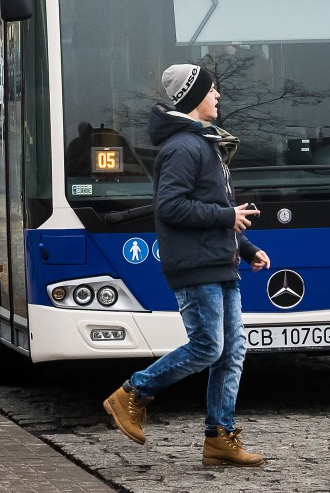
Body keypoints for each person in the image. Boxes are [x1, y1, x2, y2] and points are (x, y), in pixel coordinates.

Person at [103, 63, 270, 468]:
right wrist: (226, 218)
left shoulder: (203, 143)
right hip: (195, 267)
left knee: (232, 353)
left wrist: (245, 247)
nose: (218, 97)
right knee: (208, 347)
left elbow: (214, 208)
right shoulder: (184, 147)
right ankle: (131, 392)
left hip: (219, 262)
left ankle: (219, 437)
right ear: (196, 96)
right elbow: (171, 207)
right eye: (213, 91)